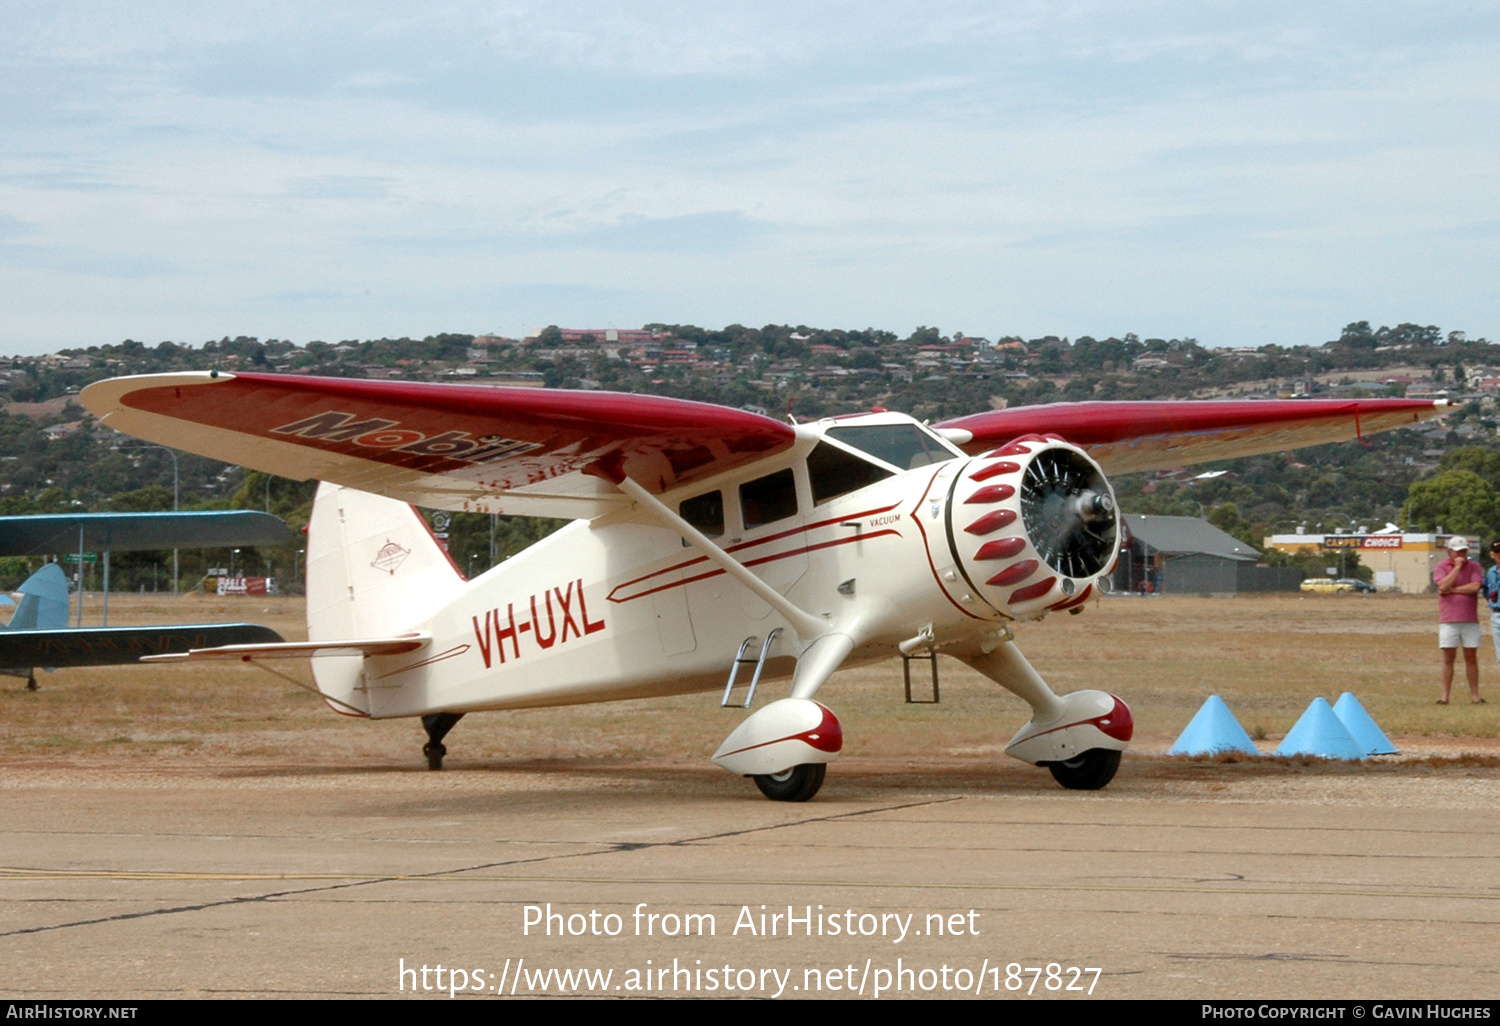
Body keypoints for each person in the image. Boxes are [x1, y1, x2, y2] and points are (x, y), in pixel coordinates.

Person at [1434, 536, 1484, 705]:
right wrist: (1456, 568)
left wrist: (1453, 589)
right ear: (1450, 552)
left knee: (1471, 657)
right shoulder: (1441, 567)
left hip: (1470, 619)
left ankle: (1475, 695)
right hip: (1449, 619)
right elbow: (1442, 586)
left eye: (1464, 551)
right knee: (1449, 658)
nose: (1461, 554)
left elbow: (1475, 587)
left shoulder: (1475, 567)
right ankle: (1445, 696)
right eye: (1458, 551)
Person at [1486, 541, 1500, 670]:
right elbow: (1487, 592)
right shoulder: (1491, 572)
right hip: (1496, 614)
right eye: (1497, 552)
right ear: (1492, 554)